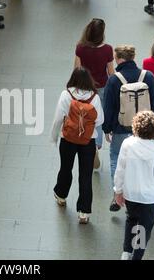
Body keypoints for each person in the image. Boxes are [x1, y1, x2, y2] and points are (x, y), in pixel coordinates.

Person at [103, 45, 154, 212]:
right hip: (145, 130)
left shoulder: (114, 80)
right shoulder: (147, 76)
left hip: (121, 128)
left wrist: (107, 129)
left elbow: (109, 107)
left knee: (116, 159)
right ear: (133, 57)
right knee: (142, 163)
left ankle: (117, 195)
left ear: (119, 59)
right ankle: (135, 199)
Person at [50, 67, 104, 224]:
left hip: (68, 139)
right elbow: (100, 120)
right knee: (85, 175)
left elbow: (58, 117)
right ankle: (84, 212)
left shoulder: (66, 94)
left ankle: (61, 195)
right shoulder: (94, 97)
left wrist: (54, 137)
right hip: (88, 141)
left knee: (66, 168)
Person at [114, 111, 154, 260]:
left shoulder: (127, 143)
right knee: (144, 229)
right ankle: (136, 256)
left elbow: (120, 170)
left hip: (130, 193)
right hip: (149, 198)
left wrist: (117, 191)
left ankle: (126, 252)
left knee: (131, 220)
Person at [75, 18, 114, 170]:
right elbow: (111, 72)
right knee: (98, 117)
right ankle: (96, 145)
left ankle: (86, 140)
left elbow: (77, 70)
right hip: (101, 88)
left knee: (85, 116)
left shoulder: (80, 48)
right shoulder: (107, 49)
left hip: (84, 88)